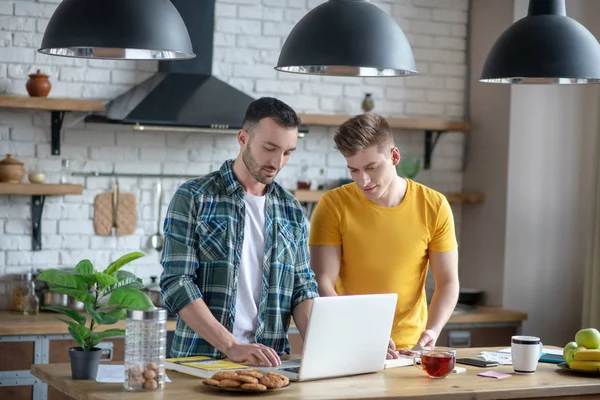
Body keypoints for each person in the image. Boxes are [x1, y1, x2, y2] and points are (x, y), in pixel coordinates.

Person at [160, 97, 319, 367]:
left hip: (269, 365)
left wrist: (329, 346)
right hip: (201, 362)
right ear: (243, 138)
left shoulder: (291, 209)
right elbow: (177, 282)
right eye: (269, 148)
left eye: (288, 152)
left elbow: (302, 289)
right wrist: (231, 345)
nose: (277, 162)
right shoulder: (195, 196)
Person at [309, 113, 459, 359]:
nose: (363, 180)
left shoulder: (434, 205)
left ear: (394, 156)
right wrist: (364, 333)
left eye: (371, 167)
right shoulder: (333, 205)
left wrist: (433, 329)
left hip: (409, 348)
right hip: (347, 342)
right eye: (354, 170)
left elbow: (448, 281)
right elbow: (322, 281)